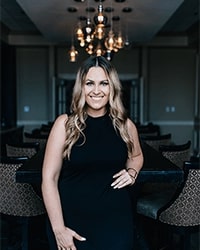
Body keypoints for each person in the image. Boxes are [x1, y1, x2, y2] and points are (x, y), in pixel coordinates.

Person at [41, 55, 144, 250]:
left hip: (116, 222)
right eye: (90, 83)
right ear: (82, 87)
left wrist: (132, 173)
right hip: (71, 221)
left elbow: (136, 156)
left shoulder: (125, 126)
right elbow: (49, 179)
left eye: (104, 83)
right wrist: (58, 229)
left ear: (112, 87)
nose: (96, 91)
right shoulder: (64, 124)